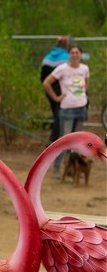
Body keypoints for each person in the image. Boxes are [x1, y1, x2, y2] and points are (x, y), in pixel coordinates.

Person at [42, 45, 89, 176]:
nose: (75, 55)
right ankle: (57, 168)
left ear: (81, 54)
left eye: (77, 52)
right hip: (67, 110)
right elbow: (46, 83)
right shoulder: (62, 68)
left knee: (78, 143)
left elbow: (86, 84)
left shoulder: (85, 69)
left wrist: (85, 98)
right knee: (64, 141)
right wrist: (56, 98)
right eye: (72, 52)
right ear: (69, 55)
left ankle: (72, 169)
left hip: (81, 108)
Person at [41, 36, 71, 144]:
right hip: (62, 92)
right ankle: (53, 142)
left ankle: (56, 141)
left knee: (56, 116)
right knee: (60, 118)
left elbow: (42, 78)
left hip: (49, 90)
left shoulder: (46, 58)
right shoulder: (67, 58)